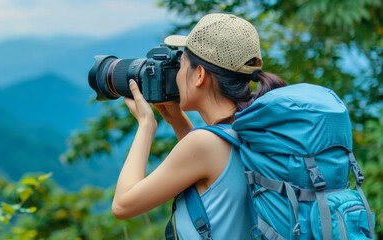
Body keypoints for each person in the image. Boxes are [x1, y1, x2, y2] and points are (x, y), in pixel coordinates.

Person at [111, 13, 287, 239]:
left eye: (181, 66)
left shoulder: (205, 144)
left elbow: (123, 206)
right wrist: (176, 119)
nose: (176, 76)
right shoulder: (252, 127)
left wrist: (146, 125)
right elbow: (216, 169)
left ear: (200, 75)